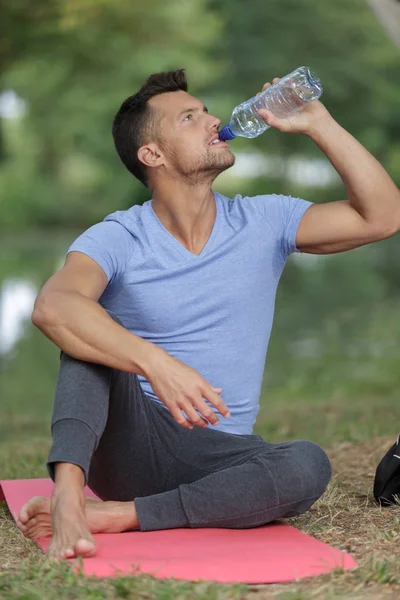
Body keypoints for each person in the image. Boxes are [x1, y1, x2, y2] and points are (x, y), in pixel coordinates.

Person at [17, 69, 400, 560]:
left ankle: (120, 514)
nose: (213, 120)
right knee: (86, 340)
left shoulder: (266, 220)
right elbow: (53, 307)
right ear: (152, 154)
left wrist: (319, 123)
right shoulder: (118, 236)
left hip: (222, 456)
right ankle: (68, 492)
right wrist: (157, 364)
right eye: (189, 117)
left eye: (206, 111)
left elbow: (383, 217)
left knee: (306, 464)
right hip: (135, 440)